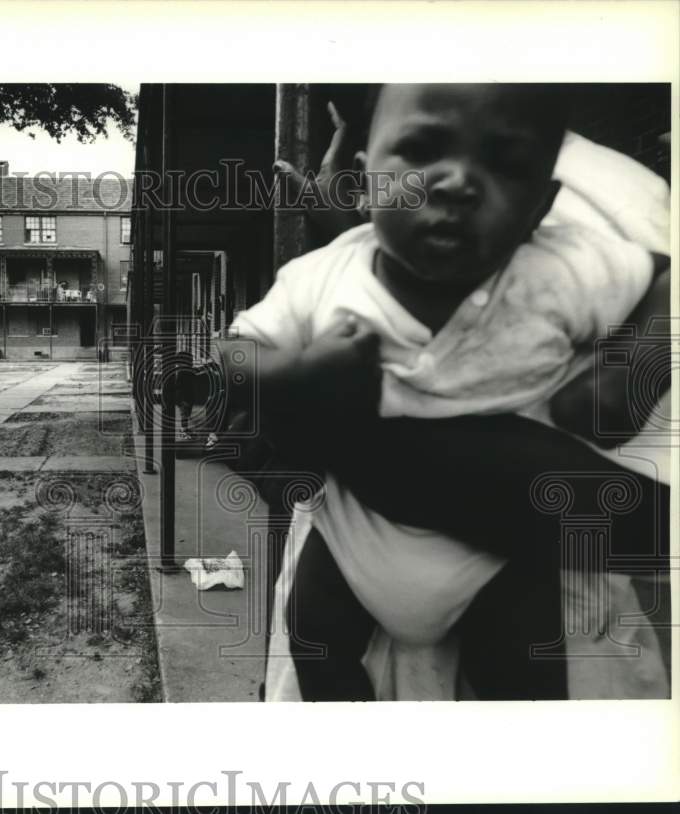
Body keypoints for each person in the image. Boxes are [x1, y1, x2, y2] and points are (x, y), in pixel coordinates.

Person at [223, 84, 671, 700]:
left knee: (524, 686)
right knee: (317, 642)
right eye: (419, 148)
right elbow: (240, 359)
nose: (458, 180)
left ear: (541, 205)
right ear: (367, 177)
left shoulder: (587, 238)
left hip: (511, 565)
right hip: (353, 537)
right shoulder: (331, 269)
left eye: (505, 164)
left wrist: (631, 370)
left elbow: (647, 521)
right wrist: (291, 377)